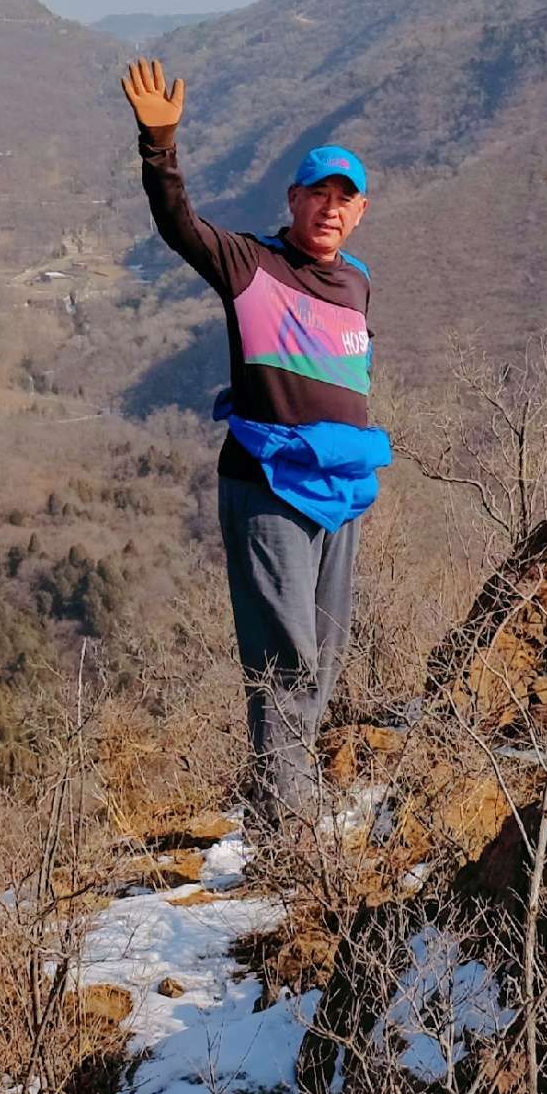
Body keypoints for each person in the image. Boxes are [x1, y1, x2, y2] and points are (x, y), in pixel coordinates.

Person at [121, 58, 390, 829]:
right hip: (267, 484)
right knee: (285, 657)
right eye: (318, 195)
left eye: (345, 199)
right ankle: (288, 826)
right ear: (293, 200)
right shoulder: (251, 264)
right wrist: (158, 145)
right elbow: (178, 224)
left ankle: (289, 798)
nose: (329, 210)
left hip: (341, 488)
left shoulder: (358, 284)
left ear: (359, 210)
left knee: (326, 660)